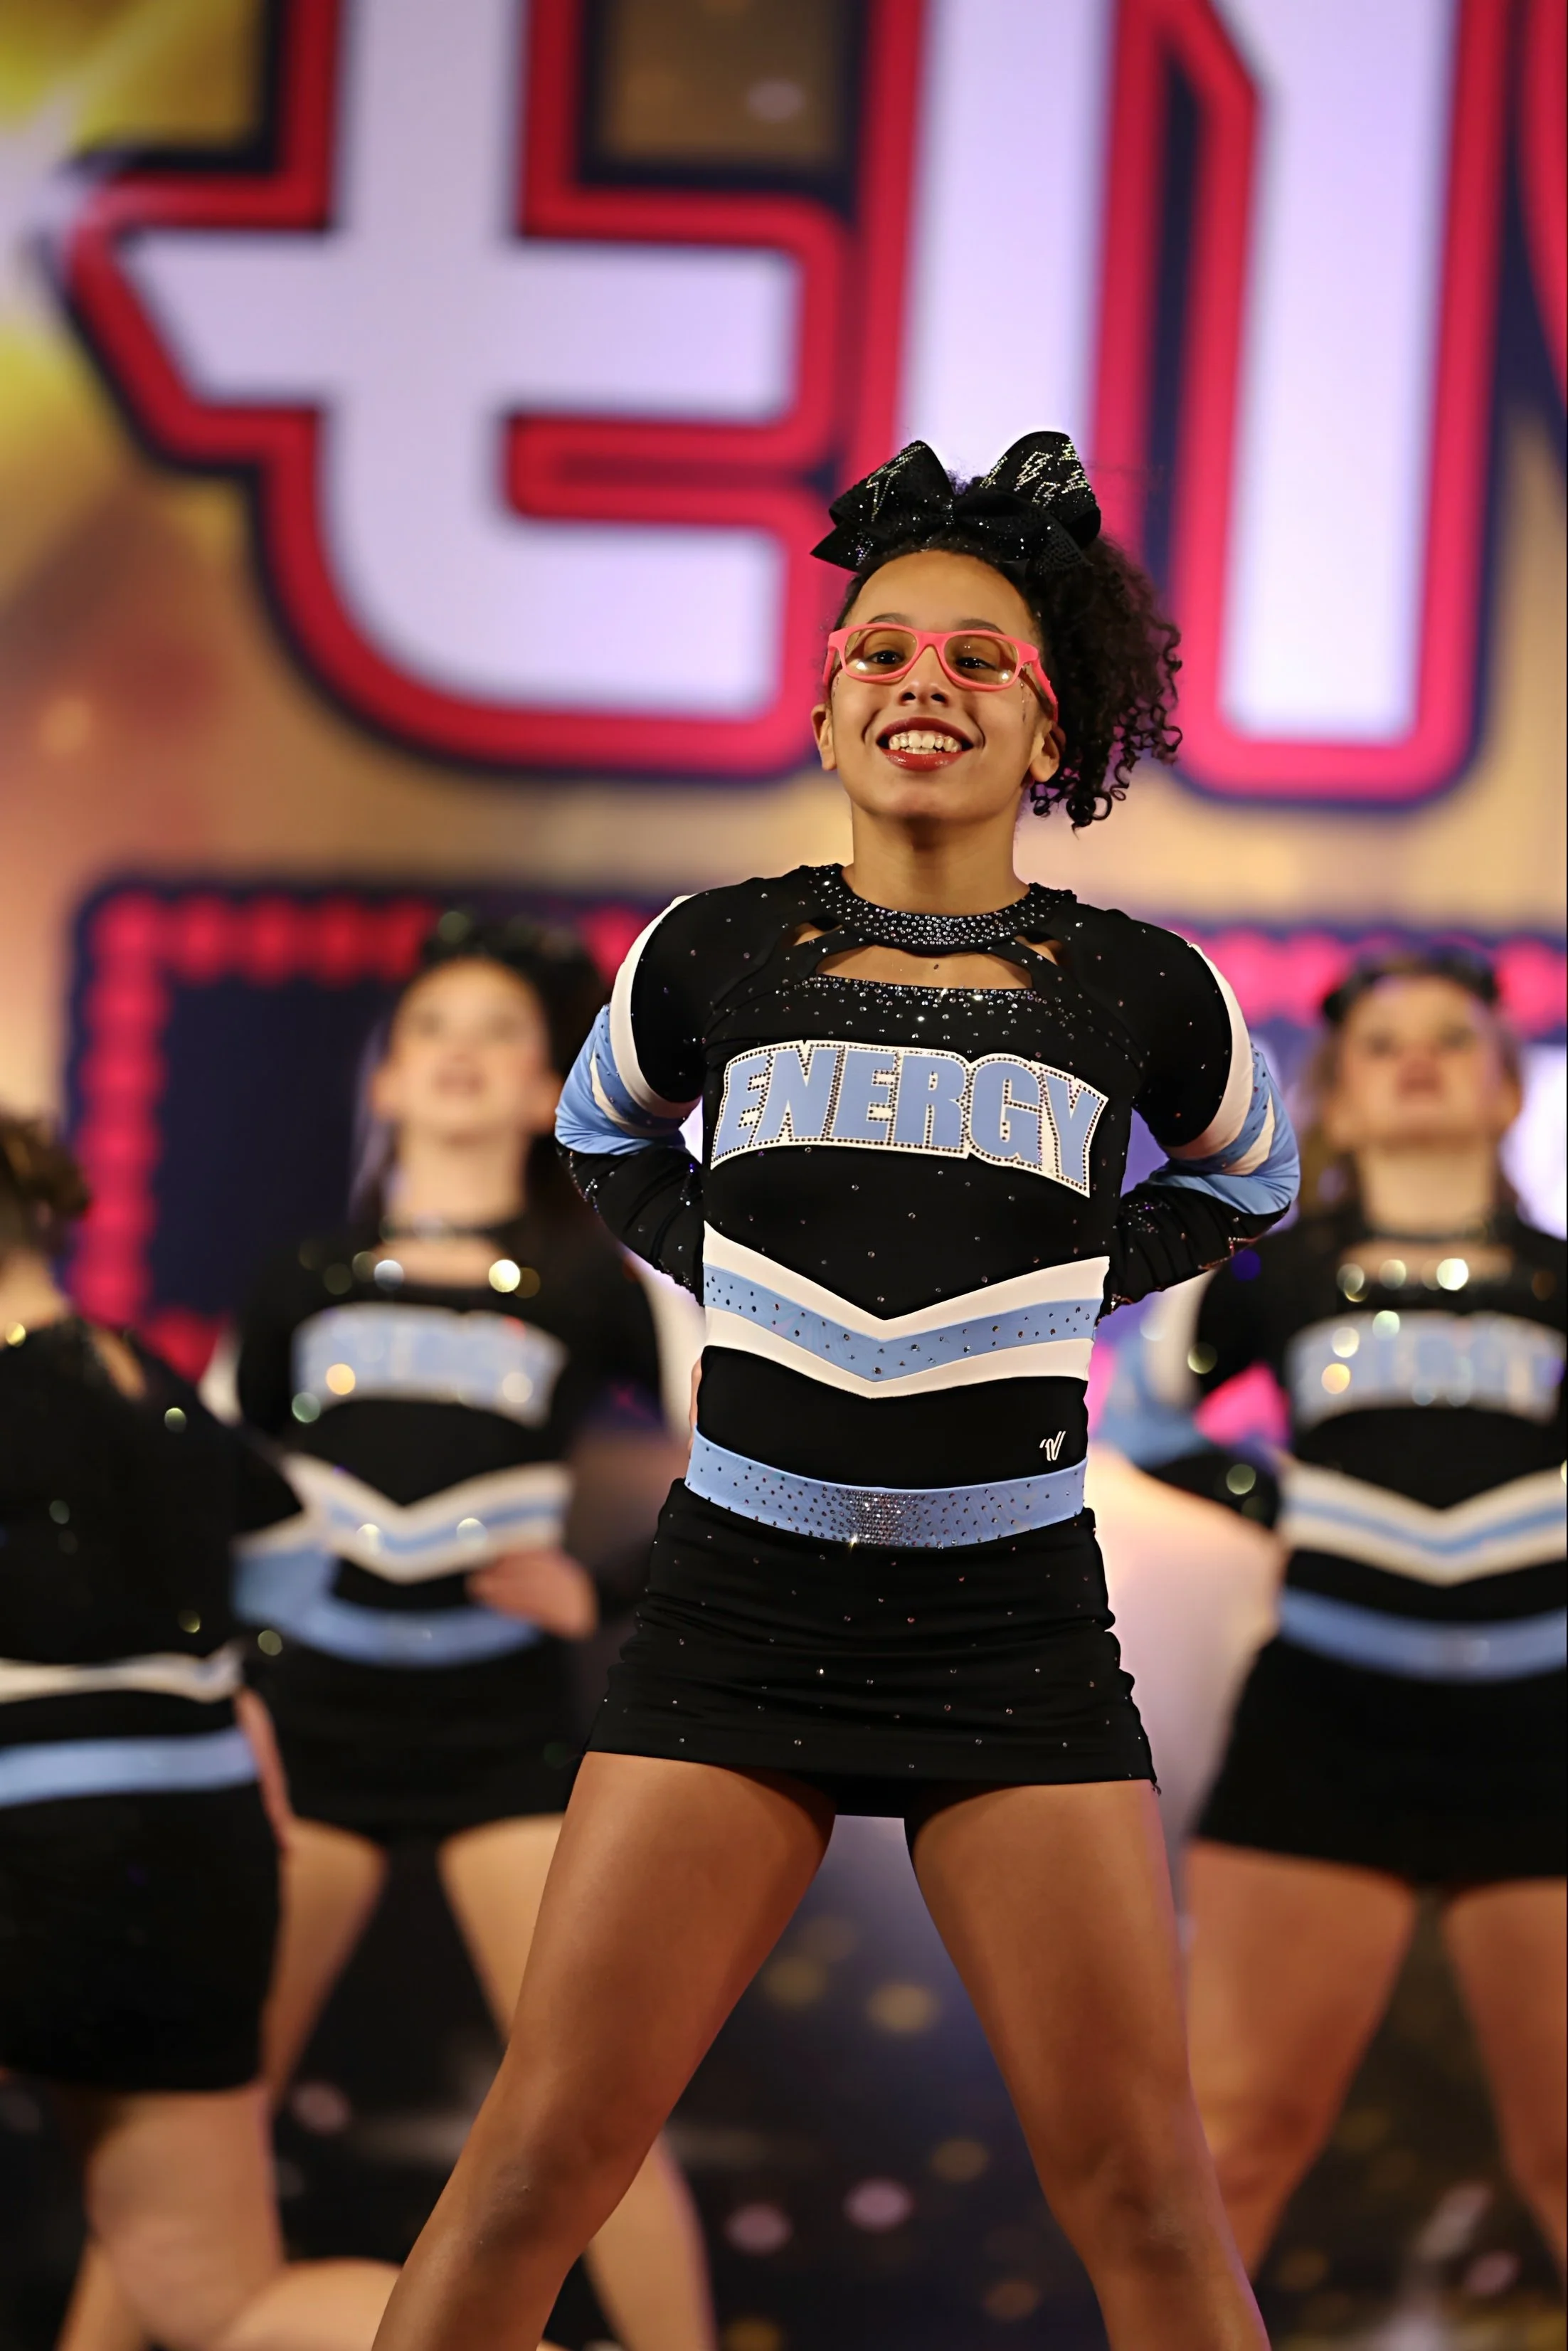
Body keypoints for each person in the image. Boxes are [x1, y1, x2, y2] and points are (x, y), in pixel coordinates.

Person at [370, 432, 1298, 2350]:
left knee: (1141, 2193)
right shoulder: (709, 950)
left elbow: (1251, 1174)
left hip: (1009, 1632)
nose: (920, 685)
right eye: (877, 654)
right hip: (735, 1621)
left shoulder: (1140, 986)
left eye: (977, 657)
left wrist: (1081, 1279)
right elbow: (599, 1136)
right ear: (821, 710)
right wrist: (733, 1274)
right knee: (539, 2155)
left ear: (1050, 732)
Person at [225, 914, 711, 2351]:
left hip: (502, 1728)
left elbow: (744, 1457)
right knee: (214, 2087)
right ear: (382, 1079)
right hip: (309, 1728)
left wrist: (606, 1585)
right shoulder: (299, 1275)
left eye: (499, 1033)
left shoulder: (593, 1279)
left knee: (585, 2093)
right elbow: (204, 1480)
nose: (461, 1055)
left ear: (539, 1087)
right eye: (432, 1026)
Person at [1101, 951, 1566, 2277]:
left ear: (1505, 1089)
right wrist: (1281, 1504)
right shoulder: (1270, 1271)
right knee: (1236, 2139)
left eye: (1451, 1038)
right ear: (1338, 1101)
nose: (1418, 1058)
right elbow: (1145, 1414)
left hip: (1546, 1725)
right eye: (1381, 1045)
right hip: (1327, 1714)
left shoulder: (1562, 1281)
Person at [0, 1113, 398, 2351]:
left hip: (34, 1838)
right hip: (197, 1846)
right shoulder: (141, 1378)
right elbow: (301, 1562)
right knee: (217, 2297)